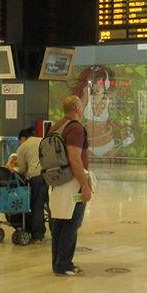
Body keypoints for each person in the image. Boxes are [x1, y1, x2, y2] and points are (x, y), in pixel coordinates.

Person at [48, 95, 94, 276]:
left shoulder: (56, 127)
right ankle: (65, 264)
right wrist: (85, 185)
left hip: (56, 180)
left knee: (59, 221)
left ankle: (58, 263)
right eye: (81, 106)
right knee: (72, 223)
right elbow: (74, 158)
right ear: (77, 108)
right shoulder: (75, 129)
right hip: (72, 181)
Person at [14, 127, 47, 243]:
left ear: (22, 138)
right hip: (52, 175)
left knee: (37, 205)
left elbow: (22, 169)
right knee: (51, 205)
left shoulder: (22, 147)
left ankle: (37, 235)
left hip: (37, 177)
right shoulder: (43, 140)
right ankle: (57, 231)